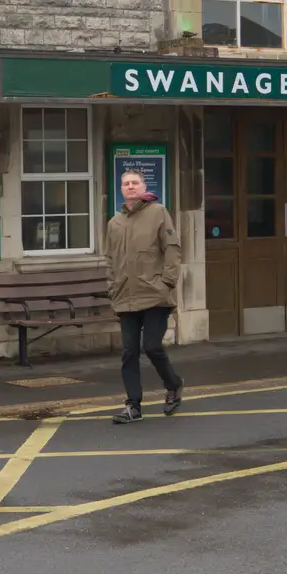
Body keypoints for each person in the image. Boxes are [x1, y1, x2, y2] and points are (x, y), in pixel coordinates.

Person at [104, 170, 185, 423]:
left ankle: (173, 384)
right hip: (125, 296)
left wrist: (167, 282)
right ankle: (133, 405)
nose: (130, 187)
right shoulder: (114, 223)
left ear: (143, 186)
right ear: (121, 189)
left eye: (135, 183)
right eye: (126, 183)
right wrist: (112, 287)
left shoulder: (158, 212)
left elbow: (171, 249)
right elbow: (110, 260)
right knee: (129, 352)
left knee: (151, 346)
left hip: (154, 294)